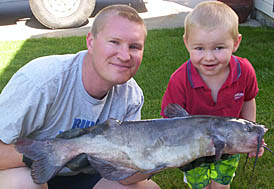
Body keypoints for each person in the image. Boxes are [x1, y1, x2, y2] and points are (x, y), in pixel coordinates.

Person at [0, 5, 160, 189]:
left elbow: (124, 176)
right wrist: (48, 155)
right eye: (114, 42)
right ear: (91, 42)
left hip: (84, 177)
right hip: (25, 172)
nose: (124, 56)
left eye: (134, 47)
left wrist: (168, 158)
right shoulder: (42, 81)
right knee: (22, 184)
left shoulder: (130, 96)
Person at [161, 1, 265, 189]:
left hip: (229, 145)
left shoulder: (245, 71)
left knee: (221, 185)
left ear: (236, 43)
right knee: (200, 185)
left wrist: (250, 133)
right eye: (199, 48)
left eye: (218, 48)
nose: (209, 57)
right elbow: (169, 122)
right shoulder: (179, 80)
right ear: (186, 43)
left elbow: (249, 99)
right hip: (194, 149)